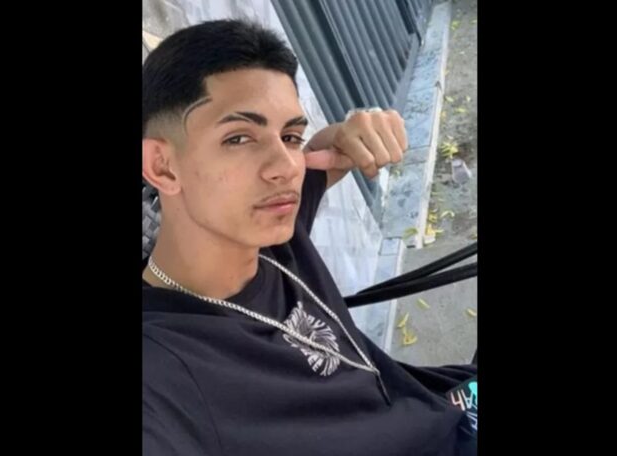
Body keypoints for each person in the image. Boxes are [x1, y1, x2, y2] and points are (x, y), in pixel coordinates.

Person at [142, 18, 476, 455]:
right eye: (239, 138)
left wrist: (351, 132)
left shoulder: (271, 231)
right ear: (162, 166)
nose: (285, 167)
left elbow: (327, 153)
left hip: (447, 404)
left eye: (289, 136)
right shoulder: (164, 368)